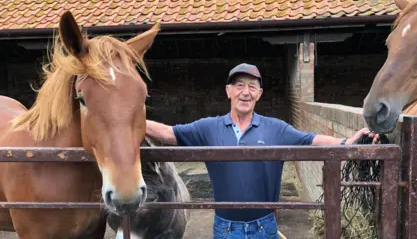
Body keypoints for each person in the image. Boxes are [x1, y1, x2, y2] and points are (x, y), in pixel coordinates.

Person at [146, 63, 380, 239]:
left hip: (264, 227)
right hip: (225, 228)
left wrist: (346, 143)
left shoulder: (275, 128)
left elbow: (310, 140)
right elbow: (168, 133)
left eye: (252, 86)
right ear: (228, 91)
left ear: (259, 94)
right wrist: (128, 121)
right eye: (239, 86)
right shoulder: (209, 127)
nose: (245, 92)